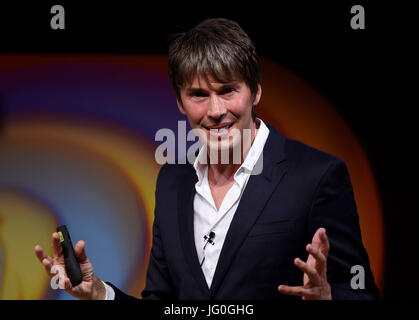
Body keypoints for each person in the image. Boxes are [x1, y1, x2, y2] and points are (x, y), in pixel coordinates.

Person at [34, 18, 379, 300]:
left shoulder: (318, 176)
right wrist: (98, 293)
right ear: (181, 103)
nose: (215, 111)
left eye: (228, 90)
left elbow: (363, 293)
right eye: (199, 95)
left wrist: (330, 297)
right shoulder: (172, 182)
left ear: (256, 90)